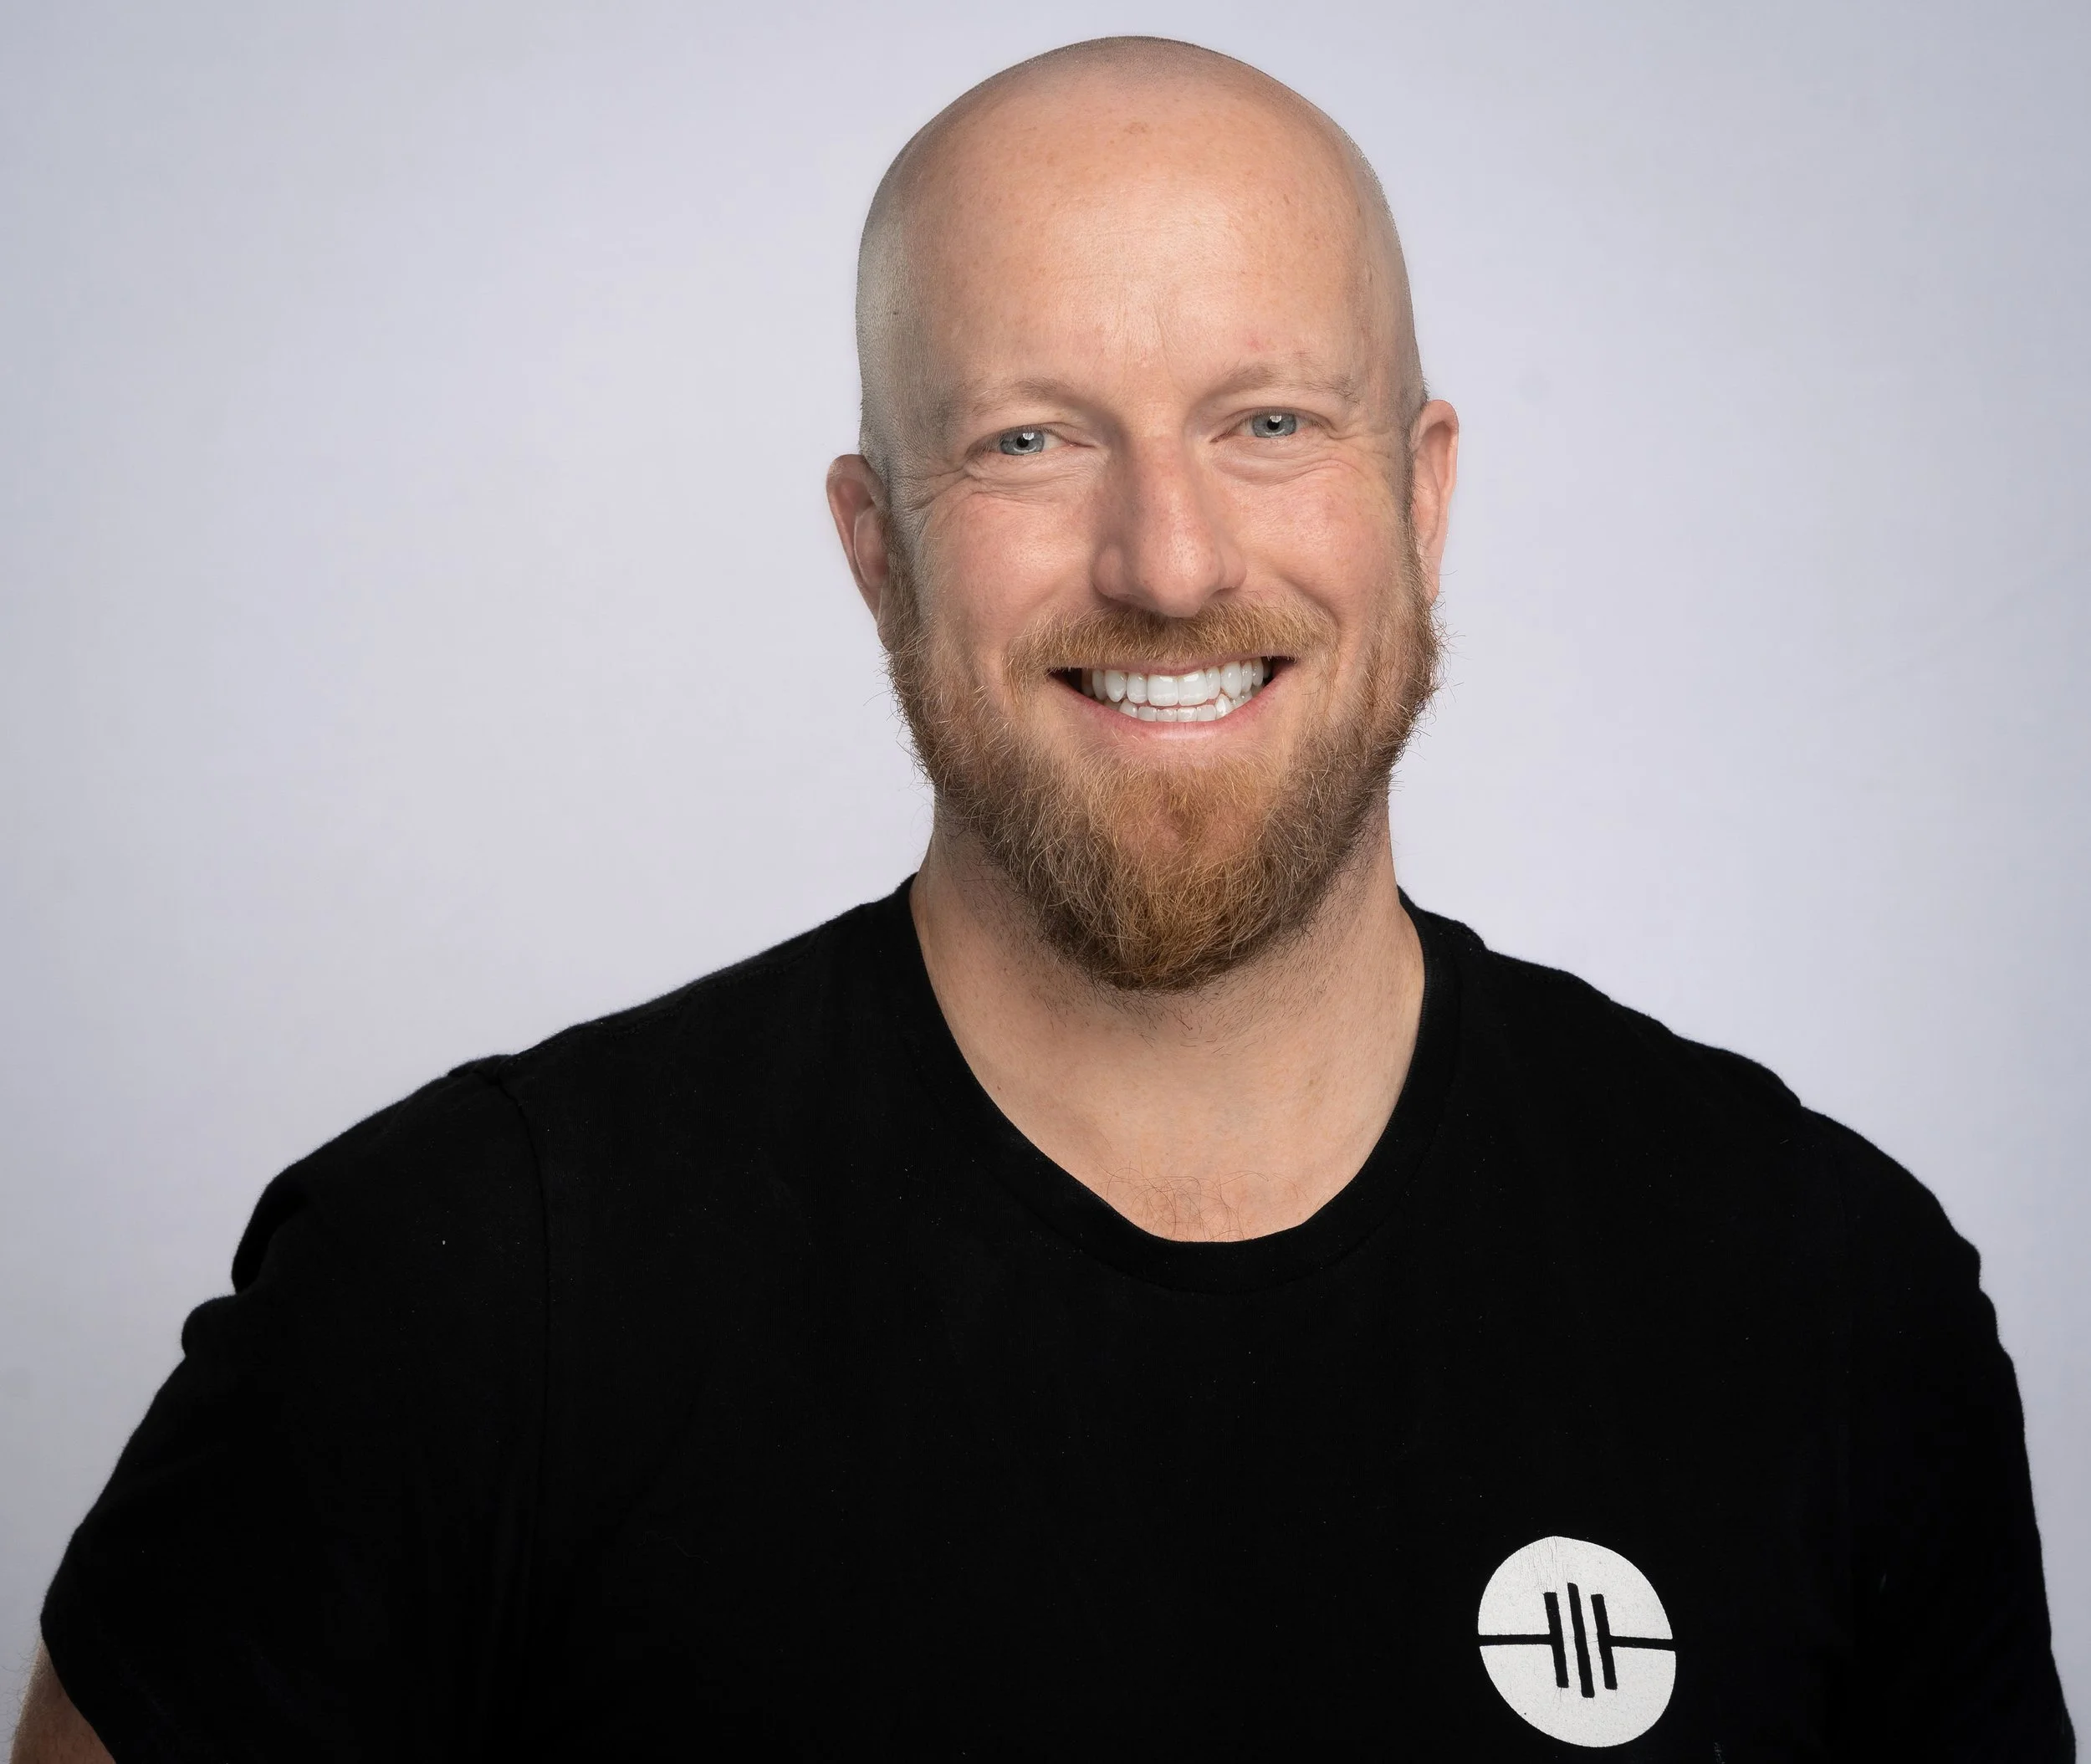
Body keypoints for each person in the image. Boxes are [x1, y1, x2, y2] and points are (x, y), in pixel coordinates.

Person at [13, 36, 2072, 1761]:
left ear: (1421, 492)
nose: (1166, 560)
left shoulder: (1822, 1297)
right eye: (1025, 439)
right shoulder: (458, 1297)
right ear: (875, 549)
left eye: (1267, 422)